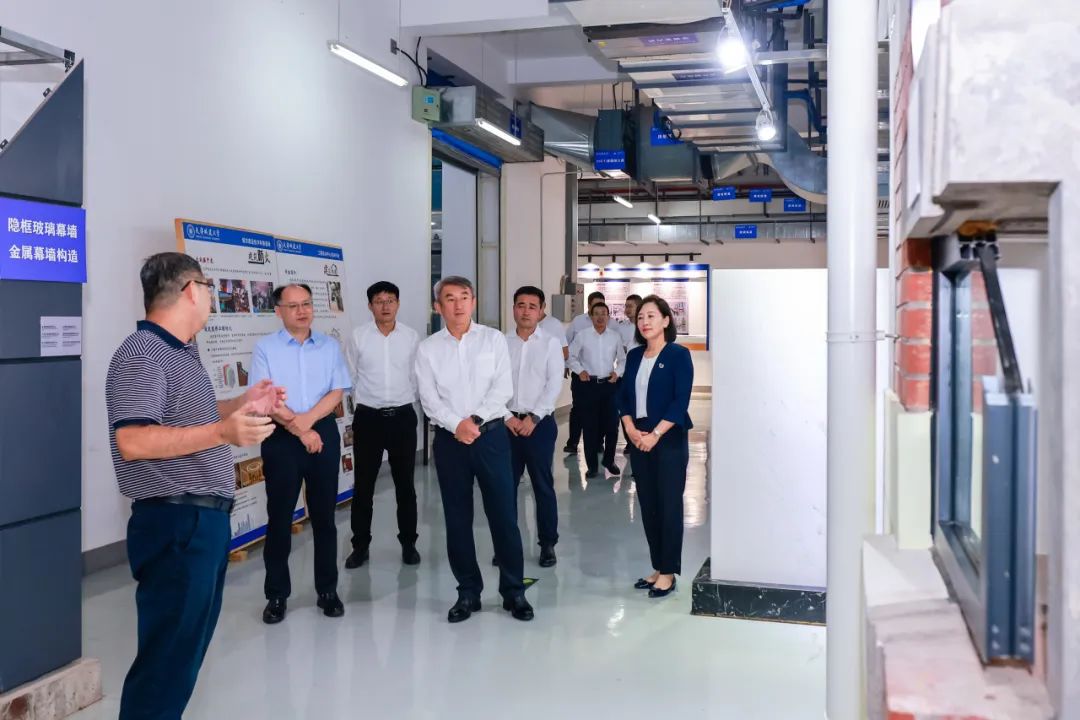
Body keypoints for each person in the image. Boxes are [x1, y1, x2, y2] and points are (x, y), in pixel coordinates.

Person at [106, 252, 284, 719]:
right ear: (190, 290)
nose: (211, 296)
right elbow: (133, 440)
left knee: (181, 656)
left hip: (200, 521)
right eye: (208, 287)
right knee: (166, 663)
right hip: (176, 523)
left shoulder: (182, 352)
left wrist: (243, 403)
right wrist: (223, 433)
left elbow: (192, 419)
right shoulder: (142, 354)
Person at [415, 276, 533, 623]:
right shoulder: (428, 349)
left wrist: (475, 421)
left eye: (464, 297)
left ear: (474, 302)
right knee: (457, 519)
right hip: (450, 443)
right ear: (438, 307)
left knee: (504, 516)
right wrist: (457, 425)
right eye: (450, 298)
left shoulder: (493, 340)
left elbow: (503, 388)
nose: (458, 304)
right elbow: (428, 398)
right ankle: (468, 592)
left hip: (491, 438)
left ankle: (514, 592)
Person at [251, 283, 351, 624]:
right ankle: (276, 595)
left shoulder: (329, 346)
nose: (302, 311)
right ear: (278, 310)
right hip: (281, 437)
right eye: (293, 306)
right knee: (279, 518)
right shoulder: (265, 348)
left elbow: (337, 390)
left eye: (306, 303)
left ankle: (328, 591)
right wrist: (299, 428)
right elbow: (265, 398)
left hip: (322, 432)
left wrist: (308, 422)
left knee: (324, 517)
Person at [618, 295, 693, 599]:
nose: (644, 322)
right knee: (648, 505)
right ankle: (658, 567)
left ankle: (669, 572)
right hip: (639, 438)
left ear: (665, 320)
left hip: (668, 439)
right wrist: (630, 428)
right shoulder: (635, 355)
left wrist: (656, 434)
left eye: (651, 316)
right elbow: (623, 396)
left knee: (668, 505)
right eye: (640, 317)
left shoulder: (678, 355)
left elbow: (679, 401)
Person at [343, 280, 421, 568]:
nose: (385, 306)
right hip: (369, 419)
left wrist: (404, 400)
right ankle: (360, 546)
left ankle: (409, 544)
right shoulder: (358, 337)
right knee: (363, 487)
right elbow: (350, 377)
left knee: (405, 486)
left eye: (390, 301)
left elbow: (416, 377)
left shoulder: (411, 337)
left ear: (398, 304)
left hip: (402, 418)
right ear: (370, 306)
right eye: (379, 301)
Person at [505, 286, 564, 568]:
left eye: (532, 306)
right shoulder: (501, 343)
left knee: (542, 485)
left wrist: (534, 418)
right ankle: (507, 544)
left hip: (539, 426)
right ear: (513, 309)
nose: (526, 311)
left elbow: (554, 384)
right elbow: (492, 383)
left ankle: (547, 544)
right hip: (506, 425)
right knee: (504, 488)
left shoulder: (550, 343)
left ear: (541, 311)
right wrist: (508, 417)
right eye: (521, 305)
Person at [568, 301, 626, 478]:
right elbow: (570, 356)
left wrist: (617, 373)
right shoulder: (583, 336)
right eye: (597, 313)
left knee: (612, 426)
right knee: (590, 427)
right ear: (591, 316)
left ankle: (609, 460)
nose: (600, 317)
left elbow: (623, 360)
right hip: (589, 386)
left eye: (604, 313)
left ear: (608, 317)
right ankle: (592, 466)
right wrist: (580, 371)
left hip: (609, 386)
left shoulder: (615, 337)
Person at [562, 291, 606, 454]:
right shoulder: (578, 322)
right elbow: (566, 342)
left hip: (602, 376)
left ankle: (598, 443)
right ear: (588, 305)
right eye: (595, 305)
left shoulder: (611, 323)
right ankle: (573, 442)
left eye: (602, 305)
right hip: (581, 374)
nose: (599, 311)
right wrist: (566, 364)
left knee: (601, 410)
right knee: (578, 409)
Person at [618, 294, 644, 456]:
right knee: (625, 408)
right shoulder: (621, 327)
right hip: (625, 374)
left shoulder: (644, 326)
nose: (627, 309)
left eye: (630, 306)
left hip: (642, 374)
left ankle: (641, 437)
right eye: (626, 306)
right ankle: (630, 441)